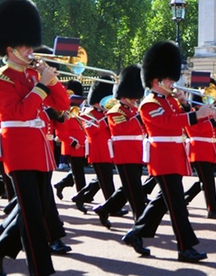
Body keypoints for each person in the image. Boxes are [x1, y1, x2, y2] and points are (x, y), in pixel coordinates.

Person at [0, 0, 70, 276]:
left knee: (38, 209)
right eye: (26, 45)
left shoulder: (34, 73)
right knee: (33, 218)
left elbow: (62, 104)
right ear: (10, 48)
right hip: (19, 149)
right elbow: (18, 113)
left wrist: (51, 81)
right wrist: (42, 86)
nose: (31, 50)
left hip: (42, 149)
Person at [121, 41, 212, 262]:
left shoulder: (170, 100)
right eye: (169, 78)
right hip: (162, 157)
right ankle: (185, 247)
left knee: (163, 200)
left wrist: (187, 105)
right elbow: (169, 123)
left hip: (174, 155)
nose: (173, 82)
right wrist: (194, 114)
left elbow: (185, 122)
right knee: (177, 205)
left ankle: (136, 233)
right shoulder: (148, 103)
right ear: (156, 79)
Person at [92, 65, 153, 228]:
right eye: (133, 96)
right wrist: (139, 118)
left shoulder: (134, 110)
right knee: (134, 190)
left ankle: (104, 209)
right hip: (124, 154)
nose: (135, 99)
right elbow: (123, 129)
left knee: (128, 188)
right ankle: (140, 222)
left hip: (137, 153)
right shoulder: (114, 111)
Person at [180, 80, 216, 220]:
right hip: (198, 150)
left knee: (204, 181)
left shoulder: (207, 112)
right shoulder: (194, 113)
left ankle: (184, 199)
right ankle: (212, 209)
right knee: (208, 181)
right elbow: (195, 130)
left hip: (209, 149)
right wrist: (213, 120)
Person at [72, 79, 116, 208]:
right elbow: (90, 131)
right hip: (98, 151)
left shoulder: (106, 113)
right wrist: (105, 120)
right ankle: (111, 206)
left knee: (102, 178)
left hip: (108, 150)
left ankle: (81, 196)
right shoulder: (88, 114)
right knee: (106, 180)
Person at [52, 80, 89, 212]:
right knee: (79, 176)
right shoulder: (64, 112)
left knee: (77, 172)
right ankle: (81, 199)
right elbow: (61, 133)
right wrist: (73, 142)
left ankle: (61, 185)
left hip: (81, 146)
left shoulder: (77, 111)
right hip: (72, 147)